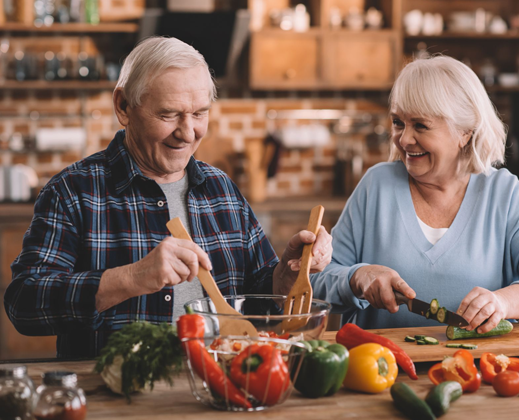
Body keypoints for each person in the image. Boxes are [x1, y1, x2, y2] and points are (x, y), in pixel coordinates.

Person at [4, 37, 332, 359]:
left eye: (199, 114)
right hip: (118, 401)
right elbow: (24, 304)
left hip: (217, 392)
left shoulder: (223, 190)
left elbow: (256, 300)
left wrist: (285, 276)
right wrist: (130, 278)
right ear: (124, 106)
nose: (188, 133)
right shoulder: (73, 192)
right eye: (168, 115)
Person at [310, 56, 519, 333]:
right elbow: (316, 281)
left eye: (420, 126)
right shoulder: (376, 186)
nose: (404, 139)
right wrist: (357, 277)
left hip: (476, 370)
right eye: (398, 123)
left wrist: (502, 302)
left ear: (465, 132)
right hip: (377, 368)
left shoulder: (503, 193)